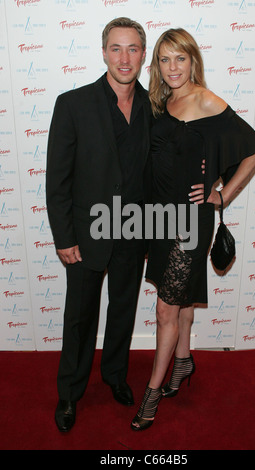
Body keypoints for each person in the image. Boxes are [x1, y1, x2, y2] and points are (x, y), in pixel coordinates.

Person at [131, 28, 255, 431]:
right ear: (157, 65)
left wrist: (222, 196)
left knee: (165, 307)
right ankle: (184, 361)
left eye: (180, 58)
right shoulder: (162, 100)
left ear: (193, 61)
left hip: (190, 221)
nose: (173, 67)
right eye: (165, 59)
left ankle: (152, 393)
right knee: (182, 295)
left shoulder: (208, 100)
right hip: (159, 216)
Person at [46, 17, 153, 432]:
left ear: (143, 55)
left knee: (123, 310)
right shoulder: (72, 104)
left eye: (132, 49)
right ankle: (69, 393)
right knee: (80, 316)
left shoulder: (153, 106)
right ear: (103, 51)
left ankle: (115, 376)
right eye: (116, 48)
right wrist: (64, 236)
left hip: (134, 230)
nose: (124, 58)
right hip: (86, 233)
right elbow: (58, 178)